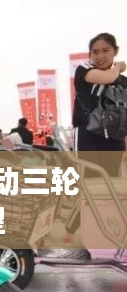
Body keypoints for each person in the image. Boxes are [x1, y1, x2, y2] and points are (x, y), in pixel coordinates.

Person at [46, 32, 127, 256]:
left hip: (114, 141)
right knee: (86, 188)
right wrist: (119, 66)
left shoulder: (123, 82)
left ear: (115, 51)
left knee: (106, 191)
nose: (100, 56)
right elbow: (107, 78)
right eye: (95, 52)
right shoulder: (84, 70)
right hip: (89, 138)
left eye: (106, 51)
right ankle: (72, 237)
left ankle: (99, 238)